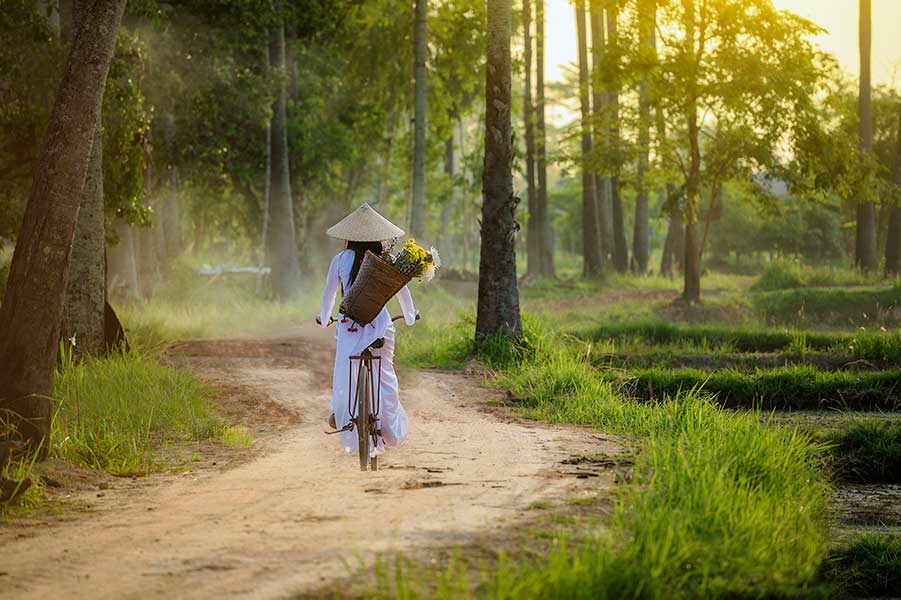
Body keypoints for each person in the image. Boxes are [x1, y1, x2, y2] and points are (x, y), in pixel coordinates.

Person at [318, 203, 417, 456]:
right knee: (384, 373)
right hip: (379, 326)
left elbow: (328, 296)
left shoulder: (339, 259)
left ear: (350, 235)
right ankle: (386, 426)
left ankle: (342, 413)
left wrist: (324, 317)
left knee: (345, 372)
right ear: (378, 236)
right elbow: (402, 292)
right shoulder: (386, 261)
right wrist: (409, 317)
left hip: (349, 326)